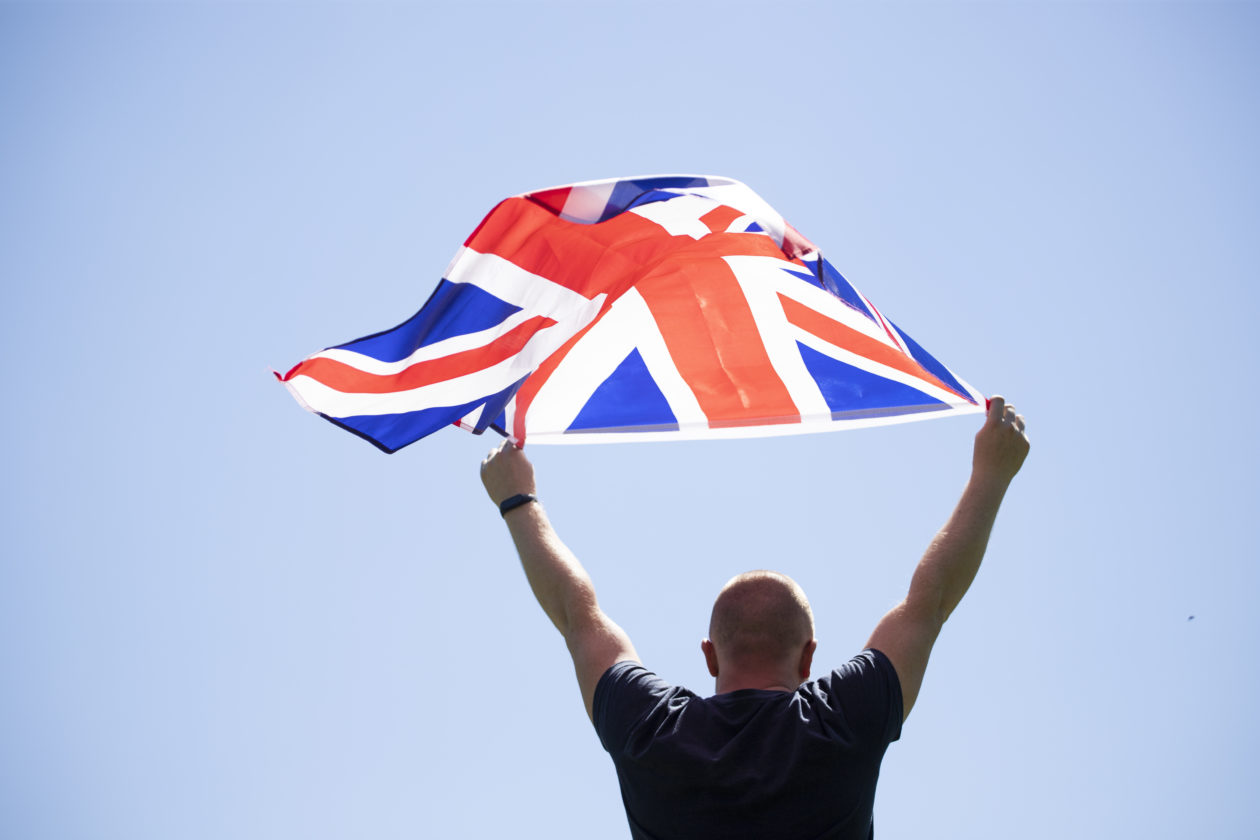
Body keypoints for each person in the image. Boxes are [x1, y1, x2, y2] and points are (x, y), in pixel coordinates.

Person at [480, 396, 1029, 839]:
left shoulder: (652, 730)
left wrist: (518, 499)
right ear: (810, 655)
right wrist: (991, 475)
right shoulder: (842, 721)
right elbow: (927, 605)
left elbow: (580, 617)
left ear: (709, 655)